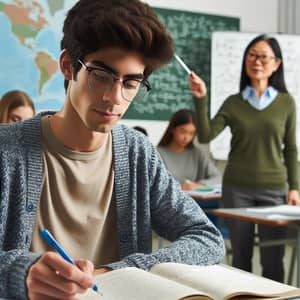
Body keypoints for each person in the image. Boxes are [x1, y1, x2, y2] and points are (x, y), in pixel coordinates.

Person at [0, 1, 225, 299]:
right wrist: (22, 272)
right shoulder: (7, 150)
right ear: (68, 66)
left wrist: (125, 270)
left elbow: (207, 238)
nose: (114, 98)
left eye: (131, 83)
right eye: (101, 76)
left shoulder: (137, 153)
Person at [190, 34, 300, 282]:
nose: (257, 61)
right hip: (237, 188)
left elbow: (291, 149)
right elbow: (207, 135)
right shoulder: (233, 102)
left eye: (263, 56)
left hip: (274, 189)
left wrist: (294, 187)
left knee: (273, 259)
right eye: (252, 55)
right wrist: (200, 99)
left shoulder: (286, 102)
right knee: (240, 258)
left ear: (276, 64)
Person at [157, 109, 221, 190]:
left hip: (194, 200)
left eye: (192, 133)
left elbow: (218, 178)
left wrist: (198, 185)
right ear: (172, 129)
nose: (186, 137)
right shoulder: (157, 154)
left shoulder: (197, 154)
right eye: (183, 131)